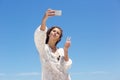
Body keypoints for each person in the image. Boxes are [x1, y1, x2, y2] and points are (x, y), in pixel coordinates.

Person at [34, 9, 72, 80]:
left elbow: (66, 65)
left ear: (59, 38)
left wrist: (66, 50)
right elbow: (40, 35)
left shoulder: (61, 50)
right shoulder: (43, 48)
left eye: (58, 33)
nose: (55, 33)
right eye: (54, 31)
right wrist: (44, 18)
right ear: (48, 34)